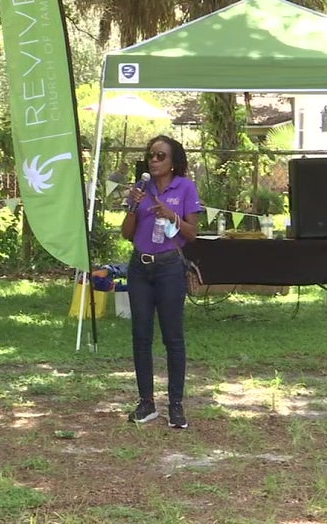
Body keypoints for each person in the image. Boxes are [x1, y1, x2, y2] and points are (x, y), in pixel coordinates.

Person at [121, 135, 202, 429]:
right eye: (150, 156)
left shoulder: (185, 187)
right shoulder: (141, 189)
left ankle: (176, 405)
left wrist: (172, 216)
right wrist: (133, 206)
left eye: (160, 156)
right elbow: (126, 233)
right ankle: (146, 403)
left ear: (172, 162)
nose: (153, 161)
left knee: (173, 338)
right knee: (141, 336)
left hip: (169, 268)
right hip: (140, 268)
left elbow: (192, 233)